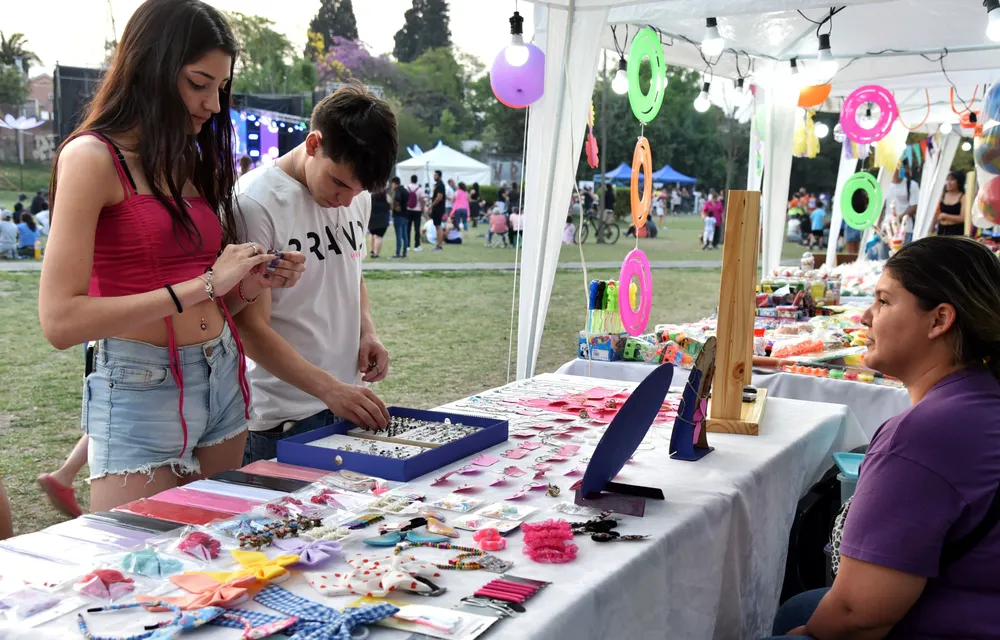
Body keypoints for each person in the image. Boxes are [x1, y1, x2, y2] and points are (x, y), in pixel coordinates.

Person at [37, 0, 305, 514]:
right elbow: (60, 321)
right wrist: (206, 284)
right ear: (150, 69)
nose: (212, 104)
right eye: (198, 83)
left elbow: (209, 291)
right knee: (135, 572)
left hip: (222, 373)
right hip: (142, 385)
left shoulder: (189, 157)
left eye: (221, 88)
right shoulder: (91, 158)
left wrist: (251, 281)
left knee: (216, 559)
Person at [763, 236, 1000, 640]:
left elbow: (857, 615)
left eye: (884, 302)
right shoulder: (982, 392)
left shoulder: (924, 435)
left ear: (940, 320)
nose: (864, 318)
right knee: (800, 608)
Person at [235, 83, 396, 464]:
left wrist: (367, 330)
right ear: (312, 144)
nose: (344, 200)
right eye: (339, 183)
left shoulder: (356, 196)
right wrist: (330, 390)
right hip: (281, 418)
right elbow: (249, 327)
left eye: (356, 191)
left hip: (343, 403)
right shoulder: (255, 202)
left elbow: (350, 269)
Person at [885, 160, 919, 245]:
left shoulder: (911, 185)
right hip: (887, 229)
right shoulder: (884, 185)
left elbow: (914, 207)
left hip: (905, 229)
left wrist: (898, 219)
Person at [935, 170, 967, 237]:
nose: (948, 182)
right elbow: (936, 214)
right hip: (941, 230)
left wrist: (945, 216)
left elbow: (963, 218)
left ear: (959, 182)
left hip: (956, 232)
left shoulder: (963, 197)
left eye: (952, 180)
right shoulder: (943, 195)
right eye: (947, 180)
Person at [368, 183, 390, 259]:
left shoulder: (371, 196)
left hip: (372, 219)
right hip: (382, 220)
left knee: (372, 234)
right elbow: (391, 205)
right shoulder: (386, 196)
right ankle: (376, 254)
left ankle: (372, 251)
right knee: (379, 237)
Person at [390, 176, 409, 259]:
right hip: (406, 215)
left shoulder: (397, 190)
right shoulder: (405, 190)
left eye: (392, 184)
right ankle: (404, 253)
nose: (391, 186)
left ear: (395, 183)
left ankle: (397, 253)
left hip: (399, 216)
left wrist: (396, 207)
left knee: (398, 235)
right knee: (405, 235)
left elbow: (397, 198)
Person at [404, 175, 423, 252]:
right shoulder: (420, 189)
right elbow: (422, 200)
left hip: (408, 210)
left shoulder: (406, 187)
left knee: (407, 228)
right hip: (417, 210)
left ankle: (407, 245)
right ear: (416, 180)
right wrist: (422, 208)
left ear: (411, 180)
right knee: (417, 228)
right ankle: (417, 246)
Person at [430, 169, 446, 251]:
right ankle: (439, 244)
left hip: (438, 208)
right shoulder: (437, 185)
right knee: (437, 226)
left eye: (436, 175)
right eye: (434, 175)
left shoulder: (440, 185)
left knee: (438, 226)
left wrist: (431, 206)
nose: (434, 176)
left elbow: (439, 197)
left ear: (439, 176)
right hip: (437, 209)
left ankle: (439, 245)